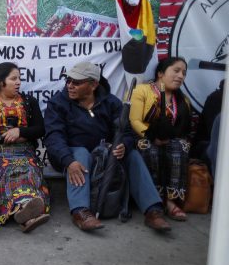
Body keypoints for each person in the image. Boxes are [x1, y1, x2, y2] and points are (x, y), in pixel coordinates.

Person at [43, 61, 171, 233]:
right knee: (80, 153)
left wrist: (123, 145)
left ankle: (152, 210)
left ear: (94, 84)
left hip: (103, 154)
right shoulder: (58, 103)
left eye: (77, 82)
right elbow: (54, 138)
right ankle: (81, 212)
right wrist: (68, 160)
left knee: (131, 155)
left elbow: (127, 132)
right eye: (69, 81)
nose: (70, 86)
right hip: (69, 155)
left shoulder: (111, 103)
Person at [0, 62, 50, 232]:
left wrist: (20, 131)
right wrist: (7, 137)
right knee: (7, 169)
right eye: (13, 78)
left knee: (29, 167)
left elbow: (40, 129)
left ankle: (24, 211)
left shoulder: (28, 102)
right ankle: (27, 211)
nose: (18, 82)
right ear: (0, 82)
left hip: (25, 151)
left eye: (19, 78)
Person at [129, 57, 192, 222]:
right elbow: (134, 120)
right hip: (144, 136)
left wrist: (169, 137)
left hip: (169, 139)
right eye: (176, 71)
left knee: (181, 146)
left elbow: (183, 129)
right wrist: (152, 135)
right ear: (160, 73)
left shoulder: (183, 100)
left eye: (184, 73)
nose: (180, 76)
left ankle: (171, 201)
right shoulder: (142, 90)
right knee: (148, 147)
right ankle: (154, 199)